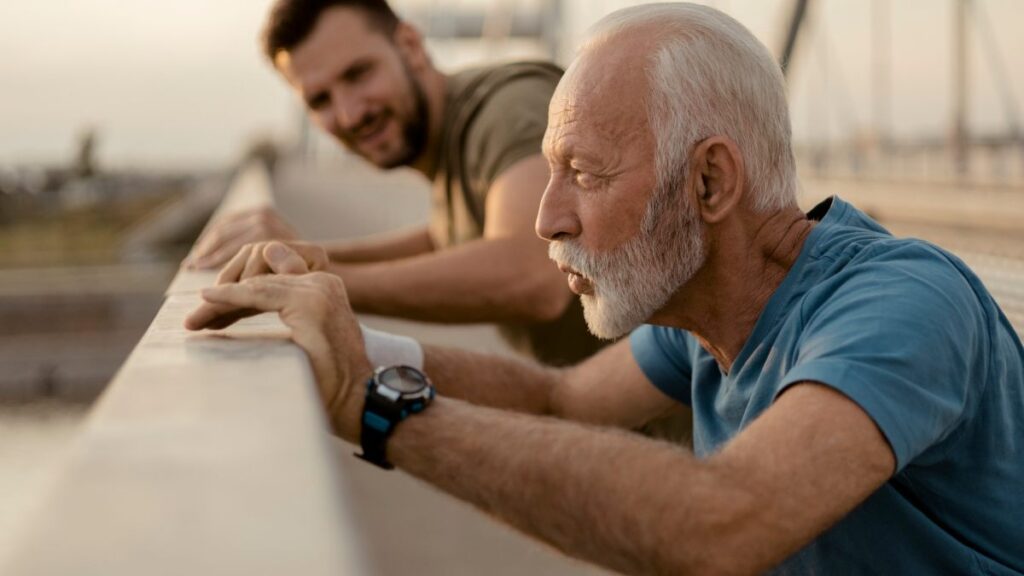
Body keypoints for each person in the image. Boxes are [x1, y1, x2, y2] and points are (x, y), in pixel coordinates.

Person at [185, 3, 1024, 574]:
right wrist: (352, 351)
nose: (547, 217)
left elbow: (726, 520)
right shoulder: (704, 310)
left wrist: (378, 408)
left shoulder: (901, 305)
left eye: (582, 173)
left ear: (709, 183)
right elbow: (557, 401)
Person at [183, 0, 605, 368]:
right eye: (320, 101)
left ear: (410, 46)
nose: (349, 115)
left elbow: (533, 274)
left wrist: (317, 282)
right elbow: (452, 240)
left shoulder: (509, 109)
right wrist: (299, 256)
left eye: (358, 74)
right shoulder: (454, 138)